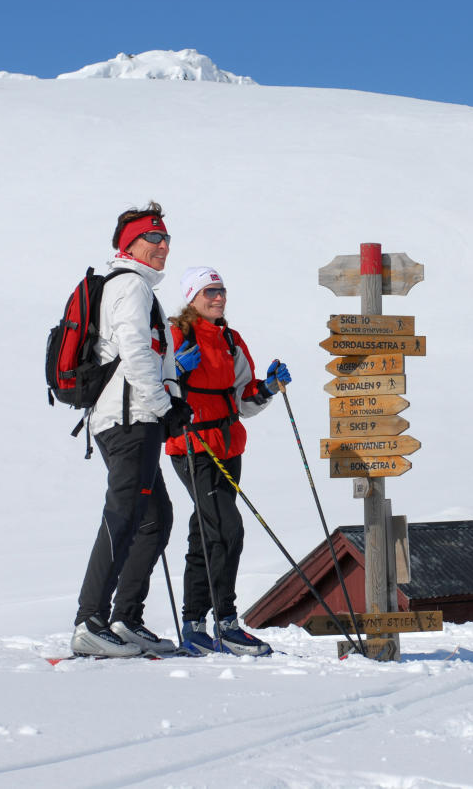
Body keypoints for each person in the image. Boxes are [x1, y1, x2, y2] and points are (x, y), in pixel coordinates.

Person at [70, 202, 194, 657]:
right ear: (131, 245)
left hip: (132, 417)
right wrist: (164, 407)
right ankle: (90, 620)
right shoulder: (131, 287)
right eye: (154, 239)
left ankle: (125, 619)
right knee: (124, 516)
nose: (163, 247)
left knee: (154, 519)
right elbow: (136, 352)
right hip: (129, 419)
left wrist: (168, 403)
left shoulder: (136, 287)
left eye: (166, 239)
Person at [165, 265, 291, 656]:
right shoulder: (177, 335)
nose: (217, 297)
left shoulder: (231, 340)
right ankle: (225, 623)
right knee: (226, 528)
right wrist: (173, 372)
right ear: (192, 297)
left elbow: (242, 397)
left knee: (207, 530)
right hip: (192, 443)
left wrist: (267, 388)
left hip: (228, 444)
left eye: (220, 291)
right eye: (209, 292)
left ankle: (194, 625)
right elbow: (150, 382)